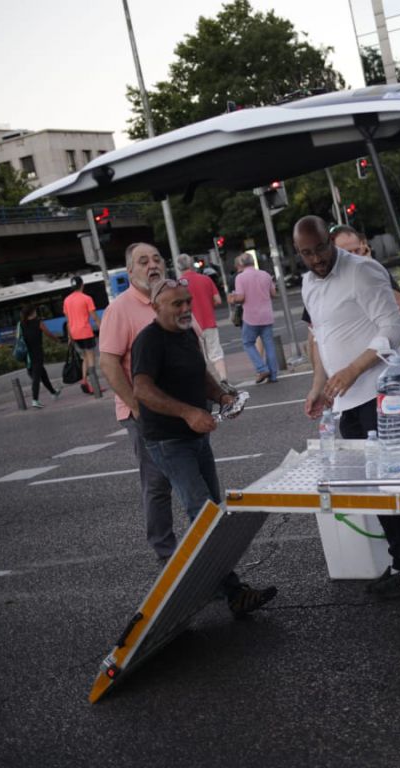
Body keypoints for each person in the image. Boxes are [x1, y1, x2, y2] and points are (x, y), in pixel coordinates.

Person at [294, 215, 400, 599]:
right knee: (374, 489)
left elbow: (392, 328)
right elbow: (322, 338)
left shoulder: (363, 271)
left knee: (393, 484)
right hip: (347, 399)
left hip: (382, 393)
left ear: (330, 241)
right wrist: (318, 386)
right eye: (307, 253)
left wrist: (353, 369)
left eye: (321, 248)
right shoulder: (308, 283)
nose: (317, 259)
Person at [132, 275, 277, 616]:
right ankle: (229, 592)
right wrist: (187, 413)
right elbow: (141, 389)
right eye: (177, 304)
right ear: (156, 307)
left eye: (187, 302)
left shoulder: (185, 334)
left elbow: (200, 376)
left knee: (214, 511)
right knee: (206, 515)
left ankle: (214, 587)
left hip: (196, 437)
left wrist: (223, 396)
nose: (185, 309)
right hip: (168, 441)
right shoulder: (149, 341)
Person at [98, 243, 184, 562]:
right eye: (143, 261)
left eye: (157, 259)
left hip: (182, 408)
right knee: (158, 481)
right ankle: (165, 548)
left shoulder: (172, 299)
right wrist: (136, 406)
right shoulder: (120, 309)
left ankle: (206, 544)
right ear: (131, 271)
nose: (152, 265)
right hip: (145, 412)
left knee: (194, 477)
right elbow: (108, 363)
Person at [329, 224, 400, 317]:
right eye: (347, 253)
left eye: (357, 251)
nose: (354, 257)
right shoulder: (329, 283)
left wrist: (371, 271)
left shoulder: (376, 271)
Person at [228, 253, 279, 384]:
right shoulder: (266, 275)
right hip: (267, 315)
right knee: (269, 345)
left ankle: (262, 368)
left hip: (251, 317)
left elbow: (240, 298)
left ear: (241, 264)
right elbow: (273, 294)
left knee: (248, 343)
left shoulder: (240, 278)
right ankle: (273, 375)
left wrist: (232, 297)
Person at [175, 254, 227, 381]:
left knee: (199, 358)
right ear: (191, 263)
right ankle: (223, 379)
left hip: (190, 326)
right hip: (209, 322)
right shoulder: (206, 279)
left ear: (178, 267)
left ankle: (207, 386)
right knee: (216, 354)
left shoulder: (178, 285)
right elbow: (218, 300)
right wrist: (208, 304)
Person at [62, 276, 100, 394]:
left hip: (74, 334)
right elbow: (94, 317)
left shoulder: (66, 300)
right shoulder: (86, 298)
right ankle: (94, 385)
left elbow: (68, 320)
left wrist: (69, 336)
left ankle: (84, 381)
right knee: (91, 357)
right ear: (82, 285)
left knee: (84, 358)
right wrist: (102, 328)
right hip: (85, 331)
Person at [19, 305, 62, 409]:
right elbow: (48, 333)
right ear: (33, 313)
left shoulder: (21, 324)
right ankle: (35, 400)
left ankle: (53, 392)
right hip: (37, 353)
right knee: (37, 377)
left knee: (43, 374)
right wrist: (57, 340)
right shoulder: (38, 322)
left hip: (27, 355)